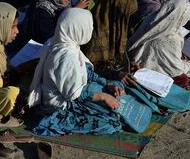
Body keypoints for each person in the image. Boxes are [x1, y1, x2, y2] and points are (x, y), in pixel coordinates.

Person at [28, 8, 124, 136]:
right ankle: (51, 122)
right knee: (112, 122)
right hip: (61, 106)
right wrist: (104, 96)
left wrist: (106, 83)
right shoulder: (65, 56)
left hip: (76, 93)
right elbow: (76, 95)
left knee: (117, 86)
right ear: (76, 28)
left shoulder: (66, 44)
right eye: (88, 26)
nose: (90, 29)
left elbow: (86, 71)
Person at [127, 0, 190, 87]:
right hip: (143, 71)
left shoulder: (150, 19)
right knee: (183, 79)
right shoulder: (171, 38)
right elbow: (176, 69)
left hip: (132, 60)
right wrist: (189, 64)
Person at [83, 0, 138, 83]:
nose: (126, 23)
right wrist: (116, 74)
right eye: (125, 17)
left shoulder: (118, 29)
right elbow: (88, 66)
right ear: (116, 13)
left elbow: (115, 56)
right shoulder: (92, 29)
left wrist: (128, 65)